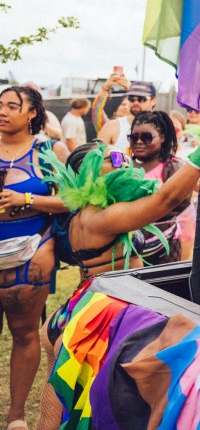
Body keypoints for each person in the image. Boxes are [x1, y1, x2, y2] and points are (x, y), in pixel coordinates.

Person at [36, 141, 200, 430]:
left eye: (122, 154)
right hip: (97, 321)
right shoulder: (100, 217)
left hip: (78, 312)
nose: (124, 161)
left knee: (57, 411)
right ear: (88, 171)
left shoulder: (89, 212)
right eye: (112, 157)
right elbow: (166, 200)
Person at [0, 86, 69, 430]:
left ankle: (16, 416)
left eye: (12, 106)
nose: (2, 111)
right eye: (0, 105)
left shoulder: (49, 151)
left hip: (31, 252)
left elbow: (73, 199)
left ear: (32, 113)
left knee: (24, 332)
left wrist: (25, 199)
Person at [129, 111, 195, 264]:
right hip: (132, 240)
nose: (139, 142)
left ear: (163, 138)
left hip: (167, 240)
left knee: (167, 277)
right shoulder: (126, 166)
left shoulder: (173, 167)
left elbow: (177, 203)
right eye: (134, 137)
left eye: (146, 137)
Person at [97, 80, 157, 151]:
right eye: (131, 99)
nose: (135, 103)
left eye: (141, 99)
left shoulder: (161, 128)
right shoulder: (112, 126)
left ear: (153, 101)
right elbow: (98, 155)